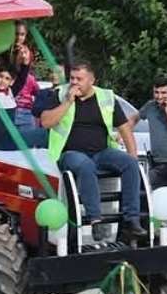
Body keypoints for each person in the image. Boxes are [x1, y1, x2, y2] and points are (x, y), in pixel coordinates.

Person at [38, 61, 143, 242]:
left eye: (79, 79)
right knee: (86, 165)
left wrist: (132, 154)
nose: (74, 82)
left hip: (102, 151)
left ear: (92, 80)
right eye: (72, 78)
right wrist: (68, 102)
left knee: (130, 164)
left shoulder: (106, 97)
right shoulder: (60, 94)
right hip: (70, 153)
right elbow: (46, 122)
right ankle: (95, 220)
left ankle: (131, 220)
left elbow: (124, 127)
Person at [0, 62, 48, 151]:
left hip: (12, 136)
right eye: (0, 76)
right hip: (2, 141)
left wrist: (25, 64)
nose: (2, 81)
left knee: (44, 133)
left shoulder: (10, 93)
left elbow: (21, 79)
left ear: (11, 82)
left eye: (7, 78)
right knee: (44, 134)